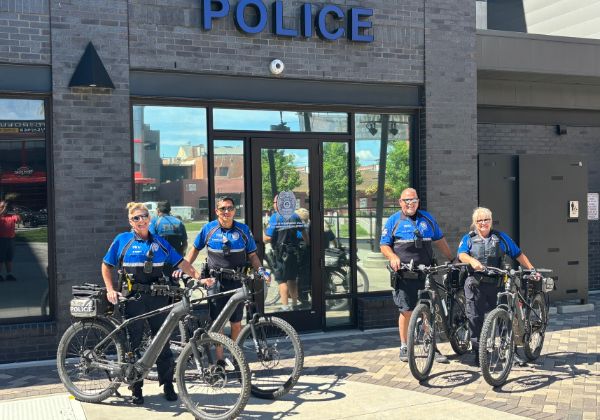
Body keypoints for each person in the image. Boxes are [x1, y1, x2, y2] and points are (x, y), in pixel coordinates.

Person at [101, 202, 202, 405]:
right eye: (136, 218)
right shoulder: (122, 240)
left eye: (144, 216)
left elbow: (182, 263)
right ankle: (136, 388)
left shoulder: (160, 242)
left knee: (162, 342)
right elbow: (106, 265)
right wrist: (111, 290)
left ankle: (168, 385)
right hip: (133, 299)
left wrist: (199, 277)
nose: (141, 220)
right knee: (134, 343)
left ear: (150, 218)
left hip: (158, 298)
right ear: (130, 221)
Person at [380, 188, 454, 363]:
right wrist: (393, 257)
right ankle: (404, 346)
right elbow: (384, 245)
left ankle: (431, 345)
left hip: (426, 273)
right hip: (404, 274)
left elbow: (440, 239)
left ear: (418, 202)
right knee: (406, 311)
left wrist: (452, 258)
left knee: (428, 310)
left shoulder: (427, 219)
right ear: (400, 202)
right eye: (406, 200)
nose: (409, 204)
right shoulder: (393, 221)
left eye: (413, 200)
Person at [458, 207, 537, 366]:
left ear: (491, 221)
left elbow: (518, 254)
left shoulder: (501, 238)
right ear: (475, 223)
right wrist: (472, 261)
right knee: (475, 318)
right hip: (475, 284)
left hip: (498, 284)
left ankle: (509, 351)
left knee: (505, 317)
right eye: (479, 220)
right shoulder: (468, 238)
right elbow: (461, 254)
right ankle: (478, 352)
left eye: (486, 220)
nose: (483, 223)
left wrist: (532, 269)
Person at [181, 196, 267, 343]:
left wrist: (262, 271)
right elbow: (194, 250)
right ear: (216, 211)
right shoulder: (208, 229)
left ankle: (235, 357)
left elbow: (253, 255)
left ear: (234, 211)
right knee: (218, 322)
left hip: (237, 282)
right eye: (223, 208)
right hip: (216, 282)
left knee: (236, 323)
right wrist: (184, 267)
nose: (226, 211)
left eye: (230, 208)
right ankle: (220, 360)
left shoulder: (243, 229)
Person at [264, 194, 308, 311]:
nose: (274, 205)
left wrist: (261, 238)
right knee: (292, 279)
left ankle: (284, 307)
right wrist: (307, 244)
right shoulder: (295, 216)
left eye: (274, 203)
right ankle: (294, 304)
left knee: (281, 280)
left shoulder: (275, 217)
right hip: (293, 253)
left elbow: (268, 238)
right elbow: (304, 233)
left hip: (280, 254)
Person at [0, 200, 20, 281]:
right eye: (2, 206)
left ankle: (9, 274)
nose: (5, 208)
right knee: (0, 258)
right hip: (1, 239)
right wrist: (4, 207)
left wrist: (16, 210)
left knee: (9, 258)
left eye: (6, 206)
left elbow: (18, 219)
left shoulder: (11, 216)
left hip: (11, 239)